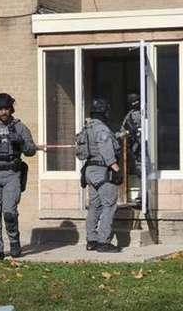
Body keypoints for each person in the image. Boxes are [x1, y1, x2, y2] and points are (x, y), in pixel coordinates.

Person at [0, 93, 37, 260]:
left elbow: (31, 150)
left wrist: (20, 142)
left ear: (11, 109)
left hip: (12, 175)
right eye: (0, 109)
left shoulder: (20, 127)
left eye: (6, 108)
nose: (3, 112)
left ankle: (14, 241)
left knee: (9, 212)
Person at [84, 98, 122, 253]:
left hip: (90, 170)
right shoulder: (102, 129)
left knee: (94, 206)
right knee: (109, 205)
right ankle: (103, 242)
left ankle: (91, 240)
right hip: (103, 171)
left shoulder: (88, 127)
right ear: (104, 112)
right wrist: (116, 169)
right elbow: (106, 150)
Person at [121, 93, 142, 205]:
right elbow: (123, 131)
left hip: (149, 147)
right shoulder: (129, 116)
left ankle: (144, 195)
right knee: (140, 171)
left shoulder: (148, 111)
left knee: (146, 171)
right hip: (137, 148)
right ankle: (142, 195)